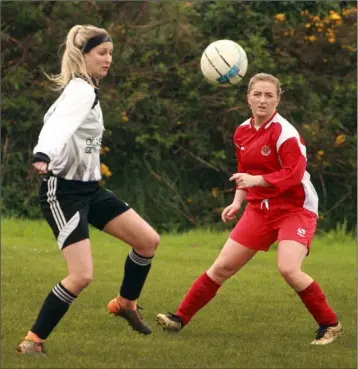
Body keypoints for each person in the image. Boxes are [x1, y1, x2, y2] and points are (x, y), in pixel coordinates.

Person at [156, 73, 342, 346]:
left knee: (289, 268)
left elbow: (294, 173)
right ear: (248, 97)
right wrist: (237, 201)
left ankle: (330, 324)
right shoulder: (242, 131)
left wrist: (257, 181)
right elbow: (245, 171)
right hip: (260, 208)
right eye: (258, 94)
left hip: (295, 209)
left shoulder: (285, 134)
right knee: (221, 268)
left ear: (278, 99)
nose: (263, 100)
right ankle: (179, 318)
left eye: (269, 95)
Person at [17, 24, 160, 356]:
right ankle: (33, 340)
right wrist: (44, 153)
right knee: (81, 275)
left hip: (89, 190)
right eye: (102, 53)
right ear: (83, 56)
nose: (108, 59)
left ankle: (126, 303)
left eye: (111, 53)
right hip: (62, 193)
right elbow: (58, 125)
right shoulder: (80, 91)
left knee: (147, 241)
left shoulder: (85, 89)